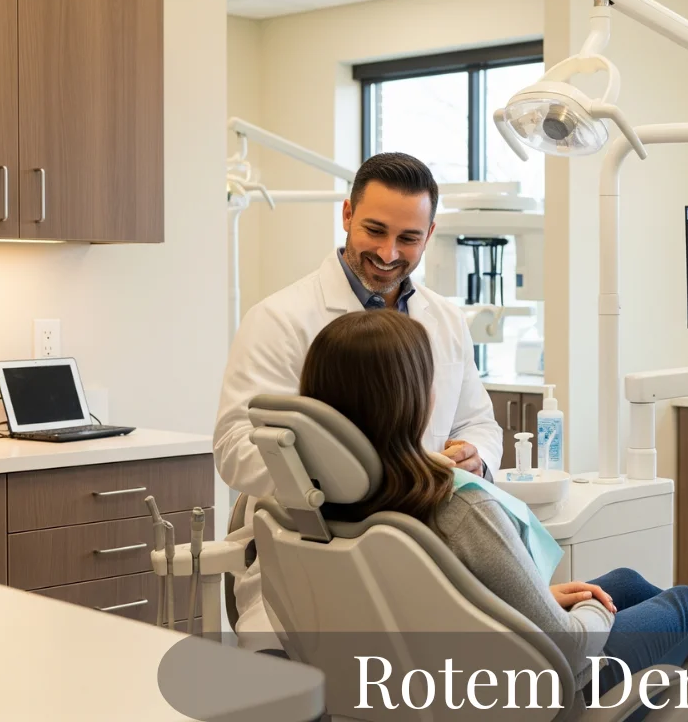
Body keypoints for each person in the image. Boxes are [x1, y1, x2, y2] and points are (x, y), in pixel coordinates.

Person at [300, 310, 688, 700]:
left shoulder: (330, 506)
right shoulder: (456, 507)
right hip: (540, 688)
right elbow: (572, 649)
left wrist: (551, 598)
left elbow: (432, 603)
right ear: (409, 397)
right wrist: (588, 609)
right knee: (683, 603)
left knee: (620, 580)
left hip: (450, 672)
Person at [214, 152, 503, 650]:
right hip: (317, 558)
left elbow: (478, 423)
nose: (389, 252)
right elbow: (236, 448)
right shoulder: (281, 320)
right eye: (375, 230)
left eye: (408, 238)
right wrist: (364, 479)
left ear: (429, 235)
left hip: (429, 555)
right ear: (347, 215)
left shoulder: (446, 320)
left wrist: (475, 457)